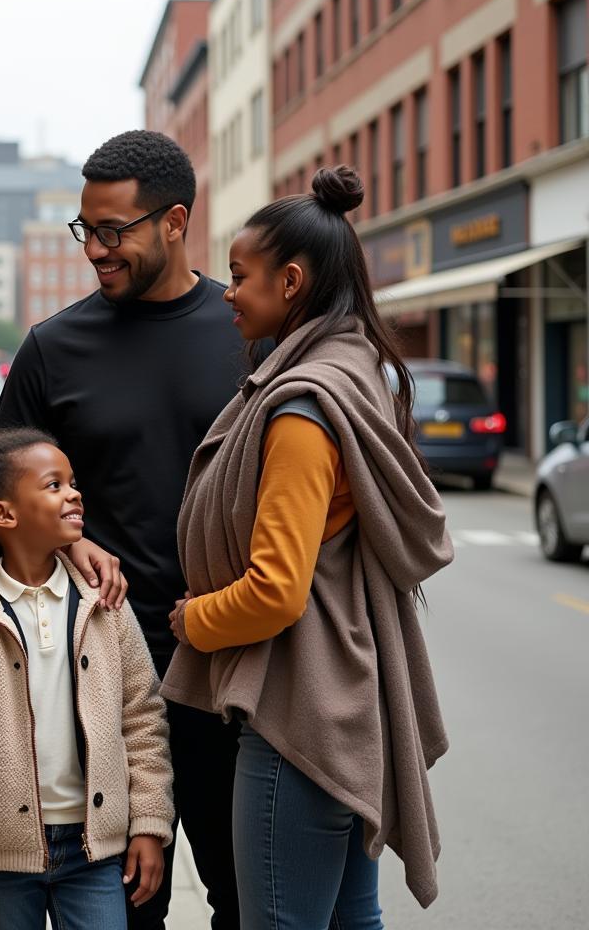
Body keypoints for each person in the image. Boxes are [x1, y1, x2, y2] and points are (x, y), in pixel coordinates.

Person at [165, 166, 453, 930]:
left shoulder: (300, 409)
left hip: (298, 716)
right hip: (350, 704)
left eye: (239, 277)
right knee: (353, 919)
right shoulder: (358, 371)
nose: (227, 292)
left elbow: (275, 591)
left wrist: (195, 622)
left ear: (290, 282)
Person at [0, 129, 245, 928]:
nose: (95, 250)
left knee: (252, 900)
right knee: (126, 910)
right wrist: (49, 540)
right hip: (102, 674)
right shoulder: (53, 347)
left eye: (112, 231)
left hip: (237, 667)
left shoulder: (251, 336)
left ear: (175, 222)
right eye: (85, 230)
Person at [0, 428, 174, 930]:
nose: (74, 492)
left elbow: (143, 717)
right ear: (5, 515)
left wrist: (151, 823)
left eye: (72, 482)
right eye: (54, 485)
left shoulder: (103, 601)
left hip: (95, 849)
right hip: (1, 852)